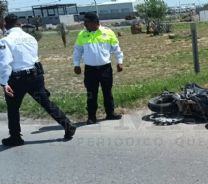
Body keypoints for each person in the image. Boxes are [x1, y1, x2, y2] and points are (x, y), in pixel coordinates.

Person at [0, 14, 76, 147]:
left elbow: (5, 63)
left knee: (13, 108)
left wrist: (4, 82)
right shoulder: (31, 38)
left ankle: (15, 137)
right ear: (19, 24)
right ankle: (67, 125)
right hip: (36, 76)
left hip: (17, 79)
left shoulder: (6, 40)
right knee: (46, 103)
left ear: (6, 25)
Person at [73, 12, 124, 125]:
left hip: (105, 68)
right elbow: (77, 50)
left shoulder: (108, 32)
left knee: (107, 91)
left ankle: (110, 114)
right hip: (90, 69)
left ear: (95, 22)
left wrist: (120, 61)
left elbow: (116, 48)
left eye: (86, 22)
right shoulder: (82, 34)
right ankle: (91, 117)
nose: (84, 24)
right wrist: (76, 64)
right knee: (91, 93)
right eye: (84, 22)